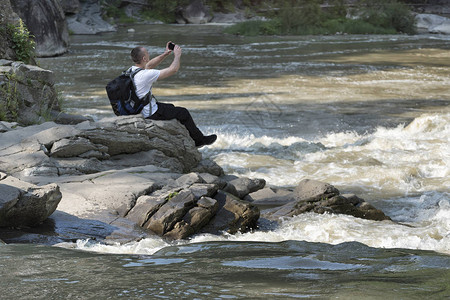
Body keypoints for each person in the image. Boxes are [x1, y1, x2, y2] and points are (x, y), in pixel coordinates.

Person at [129, 43, 217, 148]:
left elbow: (149, 65)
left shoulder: (131, 71)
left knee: (170, 107)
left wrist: (165, 54)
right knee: (183, 112)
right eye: (147, 53)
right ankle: (200, 140)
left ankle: (189, 135)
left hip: (139, 108)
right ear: (144, 58)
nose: (149, 54)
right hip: (149, 112)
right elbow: (173, 69)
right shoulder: (145, 75)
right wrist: (177, 55)